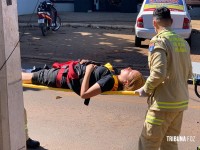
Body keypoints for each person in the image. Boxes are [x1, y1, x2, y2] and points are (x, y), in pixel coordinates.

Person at [135, 7, 193, 150]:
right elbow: (188, 73)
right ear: (171, 22)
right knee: (170, 144)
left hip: (162, 105)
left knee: (148, 143)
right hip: (180, 103)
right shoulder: (183, 43)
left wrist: (146, 89)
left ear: (154, 23)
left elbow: (158, 73)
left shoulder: (158, 41)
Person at [22, 59, 145, 99]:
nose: (128, 68)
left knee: (30, 77)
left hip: (62, 78)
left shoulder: (109, 81)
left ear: (126, 81)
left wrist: (88, 71)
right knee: (33, 74)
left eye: (130, 71)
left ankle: (5, 76)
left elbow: (84, 94)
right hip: (65, 73)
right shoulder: (114, 76)